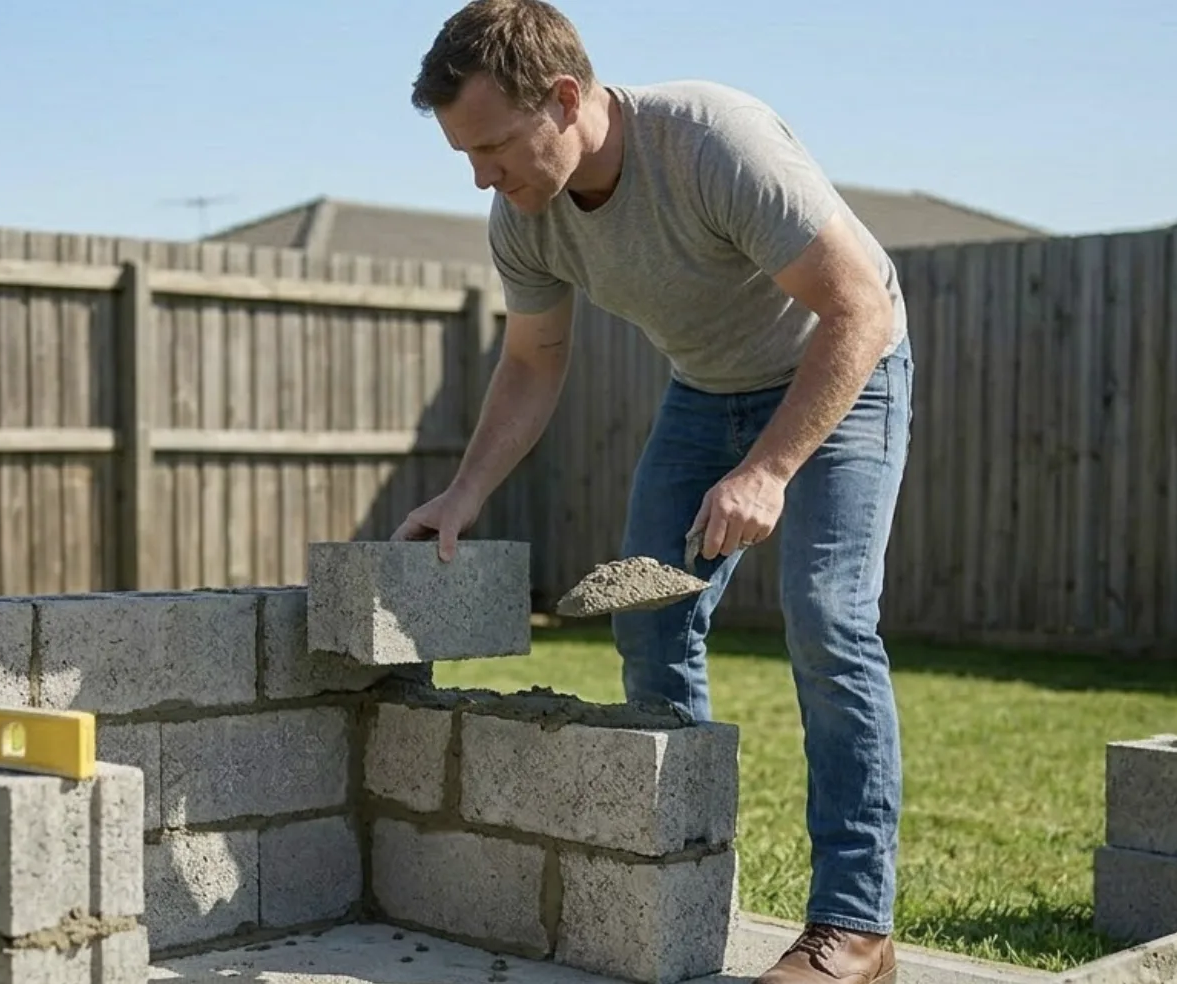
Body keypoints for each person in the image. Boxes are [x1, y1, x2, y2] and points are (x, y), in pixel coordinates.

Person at [388, 2, 913, 982]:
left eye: (492, 146)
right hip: (705, 391)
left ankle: (853, 931)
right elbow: (535, 362)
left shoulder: (711, 141)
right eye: (464, 156)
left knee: (827, 617)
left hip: (839, 367)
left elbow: (858, 305)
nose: (480, 176)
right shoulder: (523, 219)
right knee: (647, 622)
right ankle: (678, 885)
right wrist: (463, 493)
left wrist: (767, 468)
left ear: (564, 98)